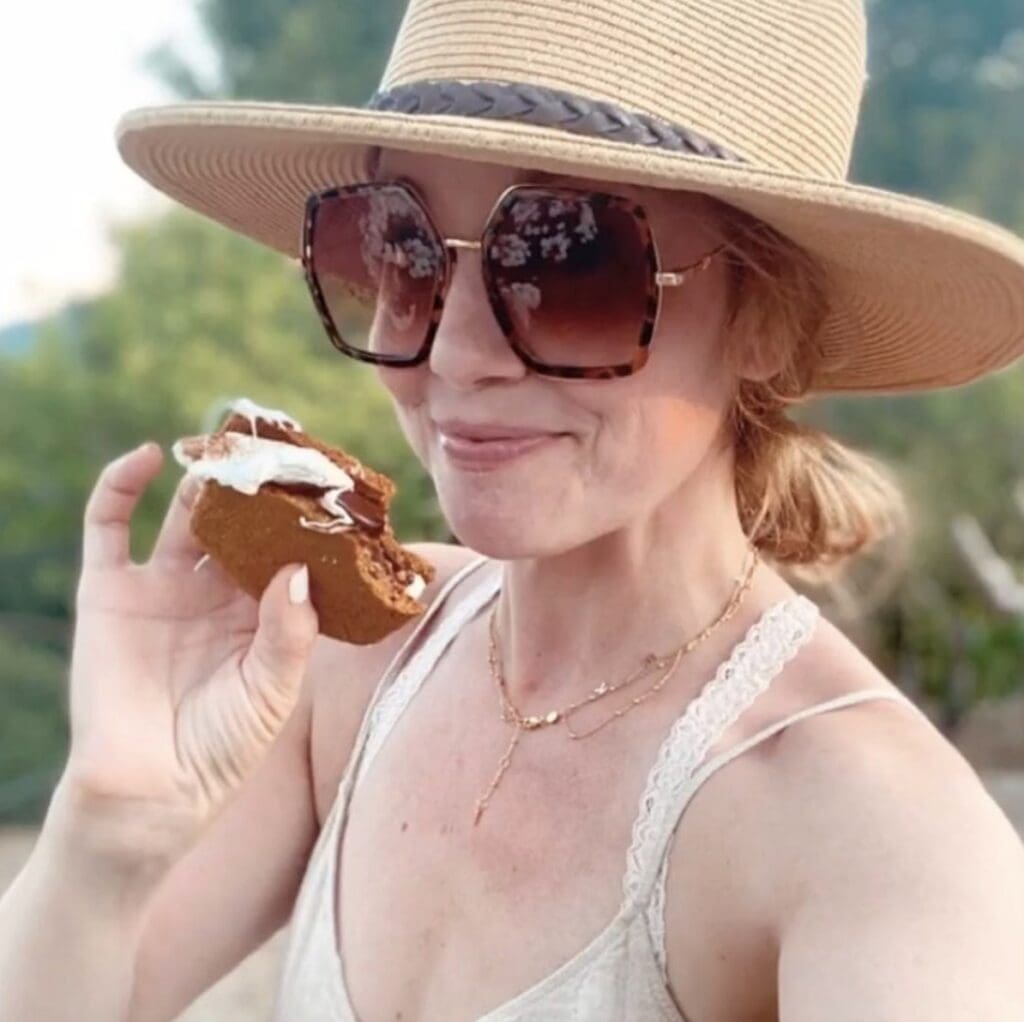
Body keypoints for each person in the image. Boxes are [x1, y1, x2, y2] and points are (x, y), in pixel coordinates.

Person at [3, 0, 1024, 1018]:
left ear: (765, 318)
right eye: (400, 252)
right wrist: (109, 827)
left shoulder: (874, 839)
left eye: (563, 260)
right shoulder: (354, 654)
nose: (454, 355)